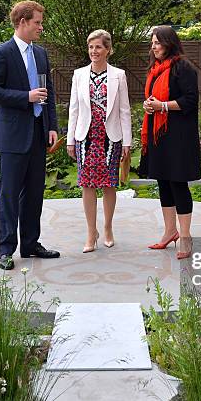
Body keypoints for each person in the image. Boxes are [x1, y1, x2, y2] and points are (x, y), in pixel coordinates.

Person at [0, 0, 60, 270]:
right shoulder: (1, 53)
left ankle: (30, 244)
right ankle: (6, 250)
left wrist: (52, 126)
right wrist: (26, 97)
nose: (41, 26)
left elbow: (48, 91)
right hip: (13, 137)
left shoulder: (41, 54)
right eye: (37, 22)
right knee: (10, 194)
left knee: (35, 193)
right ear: (23, 22)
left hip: (39, 134)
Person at [67, 30, 132, 253]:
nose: (94, 51)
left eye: (98, 47)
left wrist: (127, 142)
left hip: (110, 138)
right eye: (91, 47)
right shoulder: (78, 75)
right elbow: (73, 109)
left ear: (108, 50)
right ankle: (90, 232)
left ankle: (107, 228)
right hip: (85, 137)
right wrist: (70, 140)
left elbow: (125, 111)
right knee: (86, 183)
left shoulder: (119, 75)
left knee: (108, 184)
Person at [140, 26, 201, 260]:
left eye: (157, 42)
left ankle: (185, 237)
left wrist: (162, 106)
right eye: (152, 43)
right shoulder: (155, 69)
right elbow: (154, 99)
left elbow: (190, 100)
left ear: (169, 43)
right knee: (163, 183)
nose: (153, 47)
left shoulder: (182, 67)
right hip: (159, 136)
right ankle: (169, 232)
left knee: (178, 184)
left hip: (179, 137)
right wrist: (149, 106)